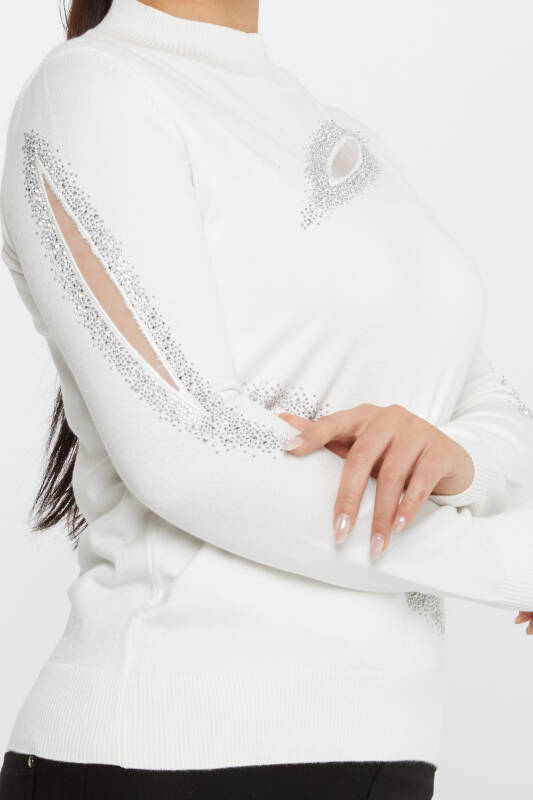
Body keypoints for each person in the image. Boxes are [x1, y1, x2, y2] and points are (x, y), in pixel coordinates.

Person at [0, 0, 532, 797]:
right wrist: (509, 561)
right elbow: (187, 454)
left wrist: (458, 463)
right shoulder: (93, 88)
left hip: (384, 750)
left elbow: (490, 402)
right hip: (167, 749)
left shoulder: (339, 134)